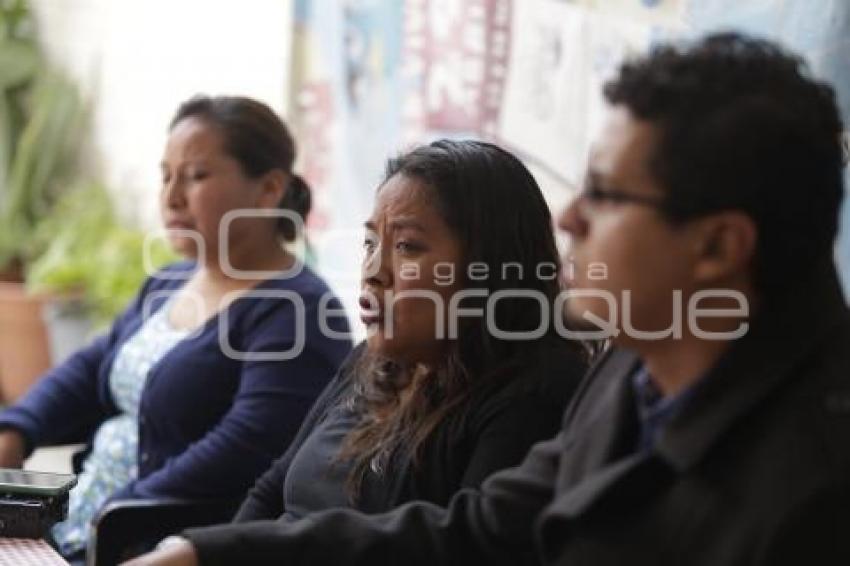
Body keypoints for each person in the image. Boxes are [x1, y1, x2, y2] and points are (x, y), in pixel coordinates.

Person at [128, 32, 850, 566]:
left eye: (603, 195)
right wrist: (206, 553)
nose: (568, 220)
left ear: (719, 246)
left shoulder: (815, 485)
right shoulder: (631, 369)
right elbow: (481, 528)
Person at [127, 138, 589, 563]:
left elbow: (458, 547)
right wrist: (214, 554)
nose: (373, 271)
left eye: (407, 246)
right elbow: (271, 491)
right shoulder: (374, 361)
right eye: (370, 243)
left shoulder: (532, 392)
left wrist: (215, 555)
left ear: (490, 268)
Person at [0, 95, 353, 560]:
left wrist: (120, 511)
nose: (171, 198)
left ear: (268, 190)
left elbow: (245, 449)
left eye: (196, 176)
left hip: (151, 546)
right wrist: (17, 430)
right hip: (84, 524)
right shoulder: (168, 282)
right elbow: (91, 369)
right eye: (165, 176)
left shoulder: (297, 312)